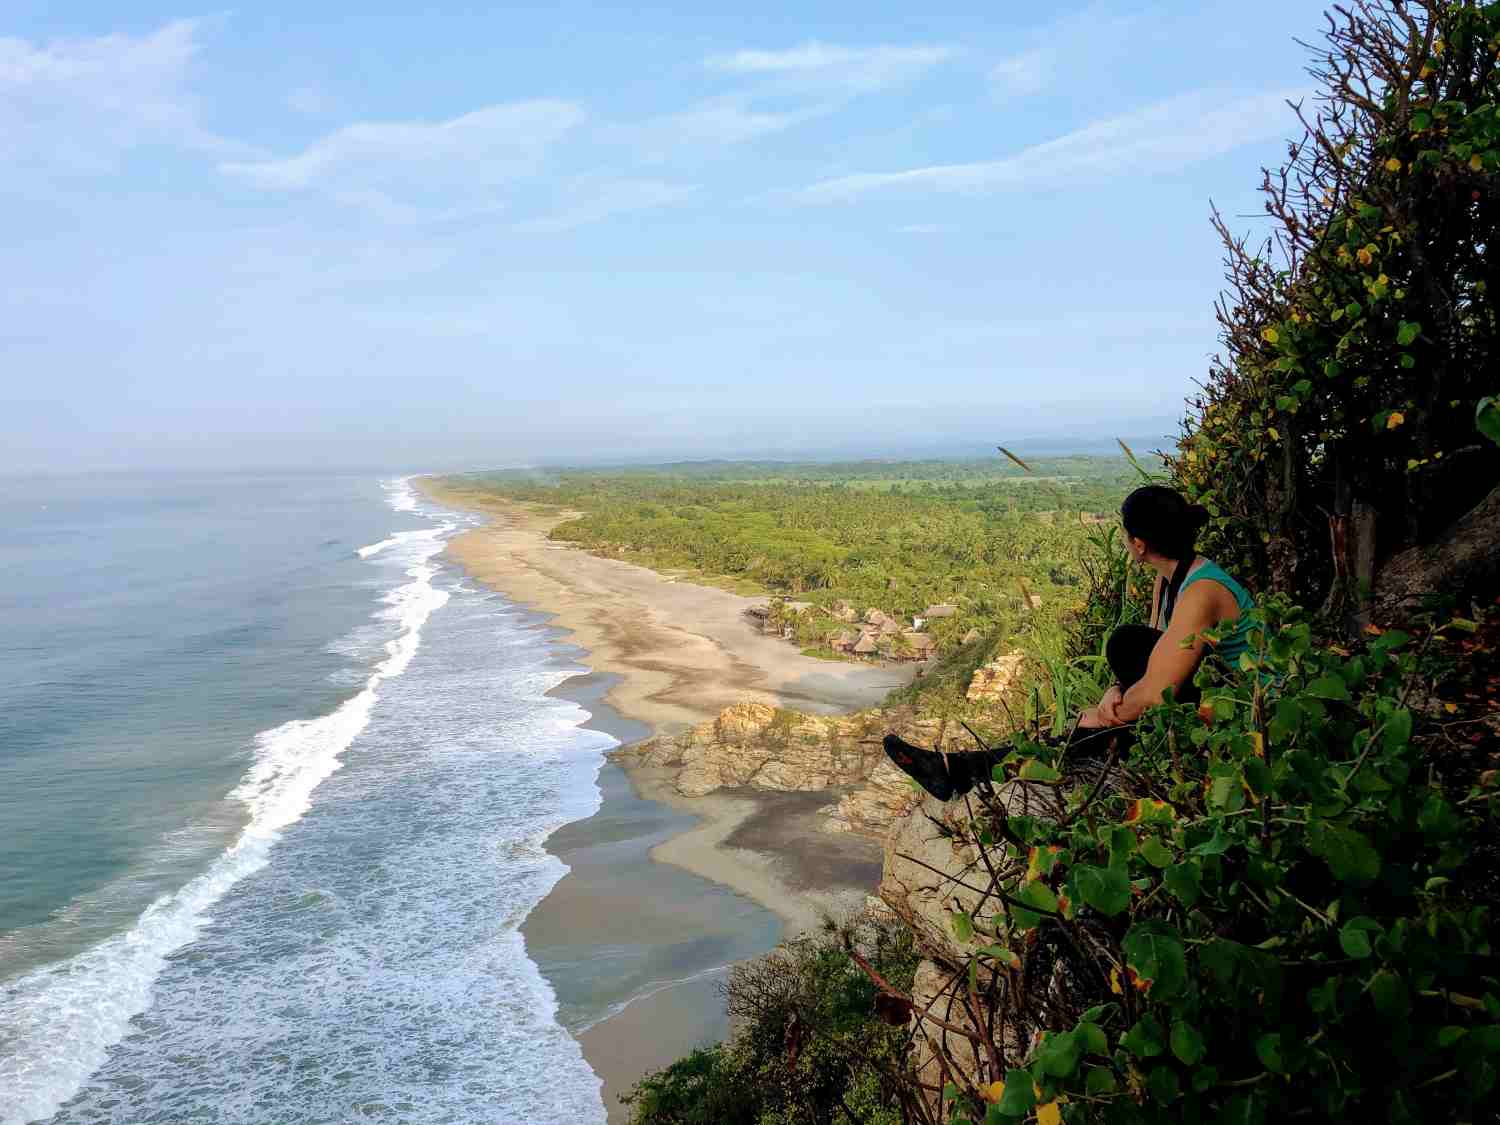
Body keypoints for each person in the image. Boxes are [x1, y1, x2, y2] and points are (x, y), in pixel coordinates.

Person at [884, 485, 1256, 801]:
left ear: (1138, 544)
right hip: (1204, 696)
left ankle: (961, 770)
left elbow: (1160, 692)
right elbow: (1156, 658)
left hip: (1243, 714)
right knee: (1127, 646)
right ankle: (960, 769)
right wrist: (1116, 691)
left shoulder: (1200, 593)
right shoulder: (1171, 580)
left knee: (1098, 714)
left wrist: (1109, 716)